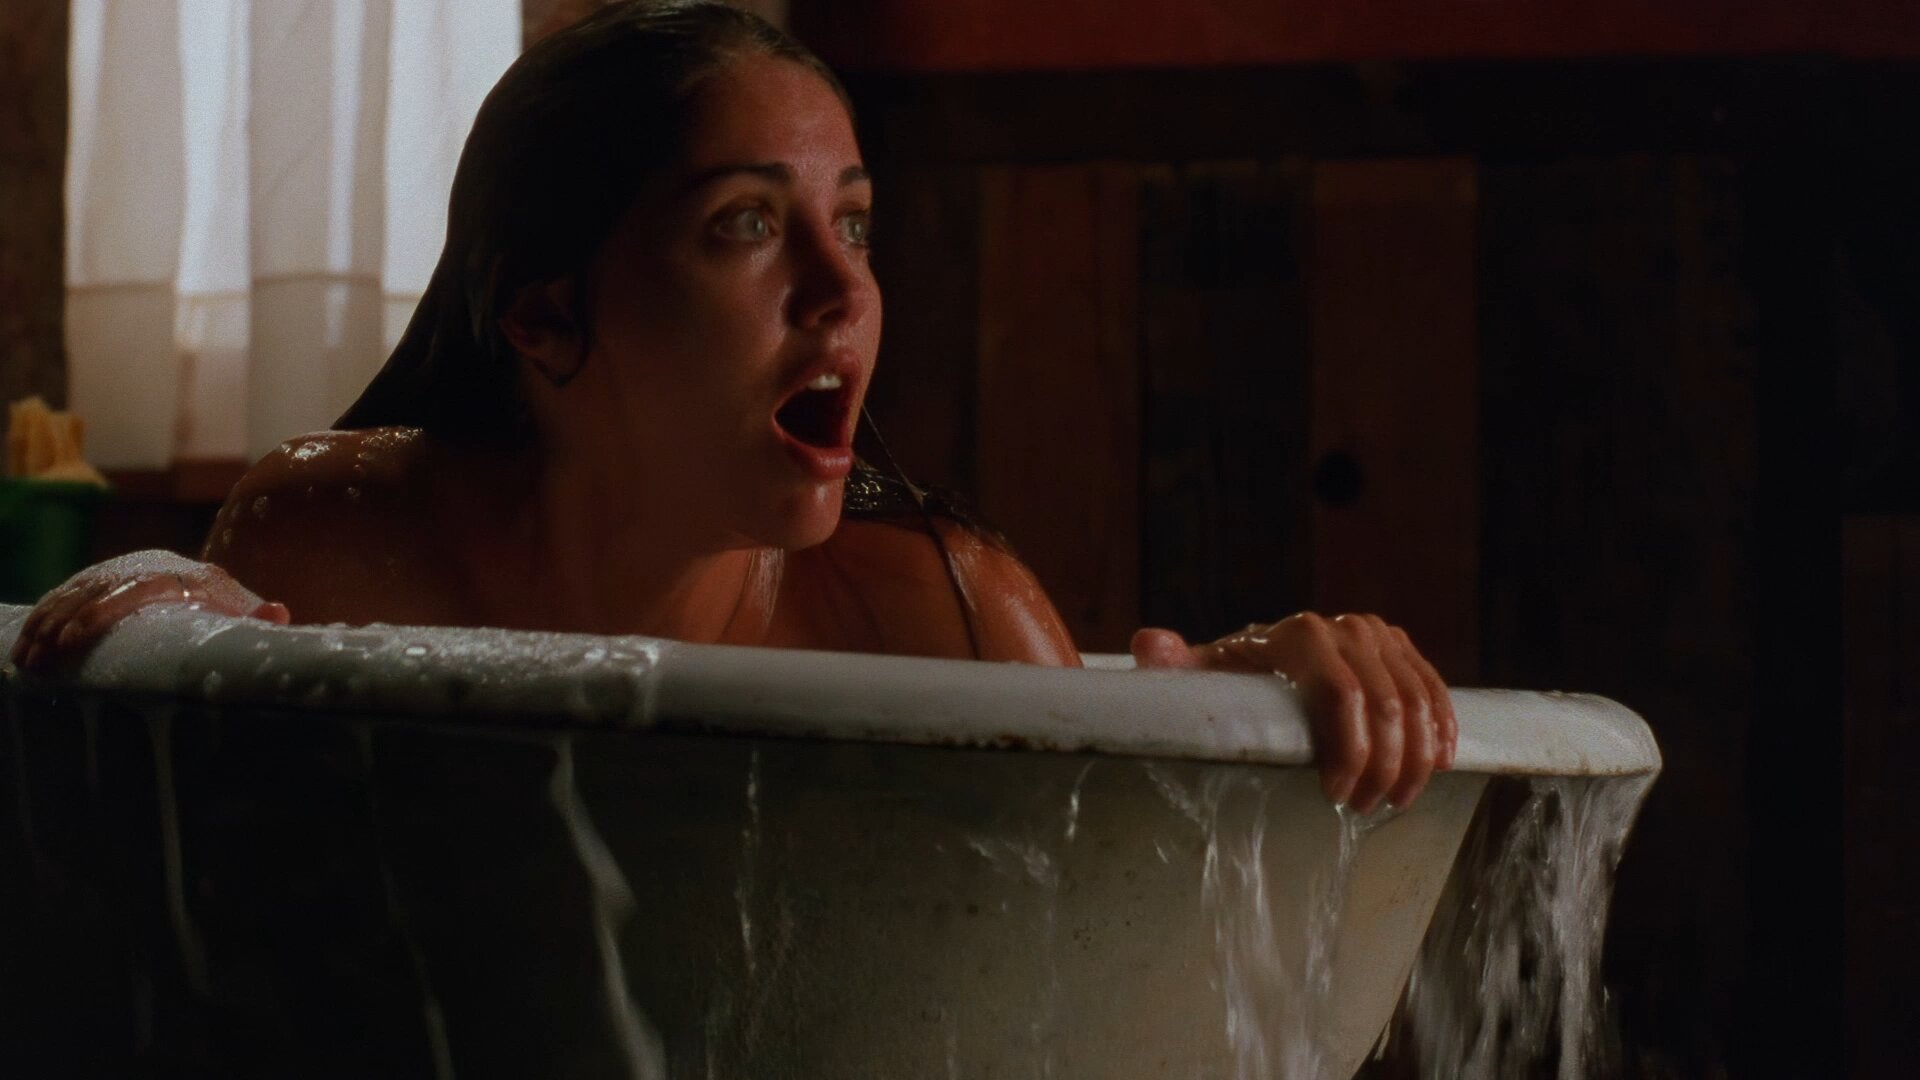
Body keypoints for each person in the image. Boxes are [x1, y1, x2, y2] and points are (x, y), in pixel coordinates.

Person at [8, 0, 1453, 815]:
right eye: (747, 225)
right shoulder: (333, 546)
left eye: (856, 224)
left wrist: (1267, 684)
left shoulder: (939, 617)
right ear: (543, 315)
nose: (844, 290)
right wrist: (160, 610)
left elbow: (1121, 865)